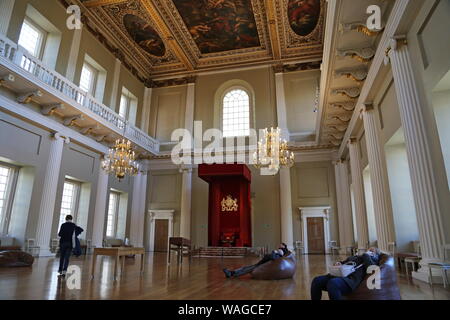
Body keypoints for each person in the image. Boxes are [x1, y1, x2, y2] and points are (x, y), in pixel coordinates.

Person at [310, 247, 381, 300]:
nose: (369, 251)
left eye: (372, 251)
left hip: (350, 280)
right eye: (369, 250)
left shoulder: (372, 260)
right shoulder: (356, 256)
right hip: (339, 274)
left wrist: (367, 255)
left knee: (333, 283)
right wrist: (339, 263)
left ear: (375, 254)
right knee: (317, 280)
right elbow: (345, 262)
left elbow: (371, 268)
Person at [223, 243, 291, 278]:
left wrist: (274, 252)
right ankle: (231, 273)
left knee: (246, 270)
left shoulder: (278, 254)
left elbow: (272, 257)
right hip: (261, 264)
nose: (279, 245)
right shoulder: (279, 253)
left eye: (281, 245)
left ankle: (231, 274)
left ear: (283, 247)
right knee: (245, 268)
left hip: (262, 266)